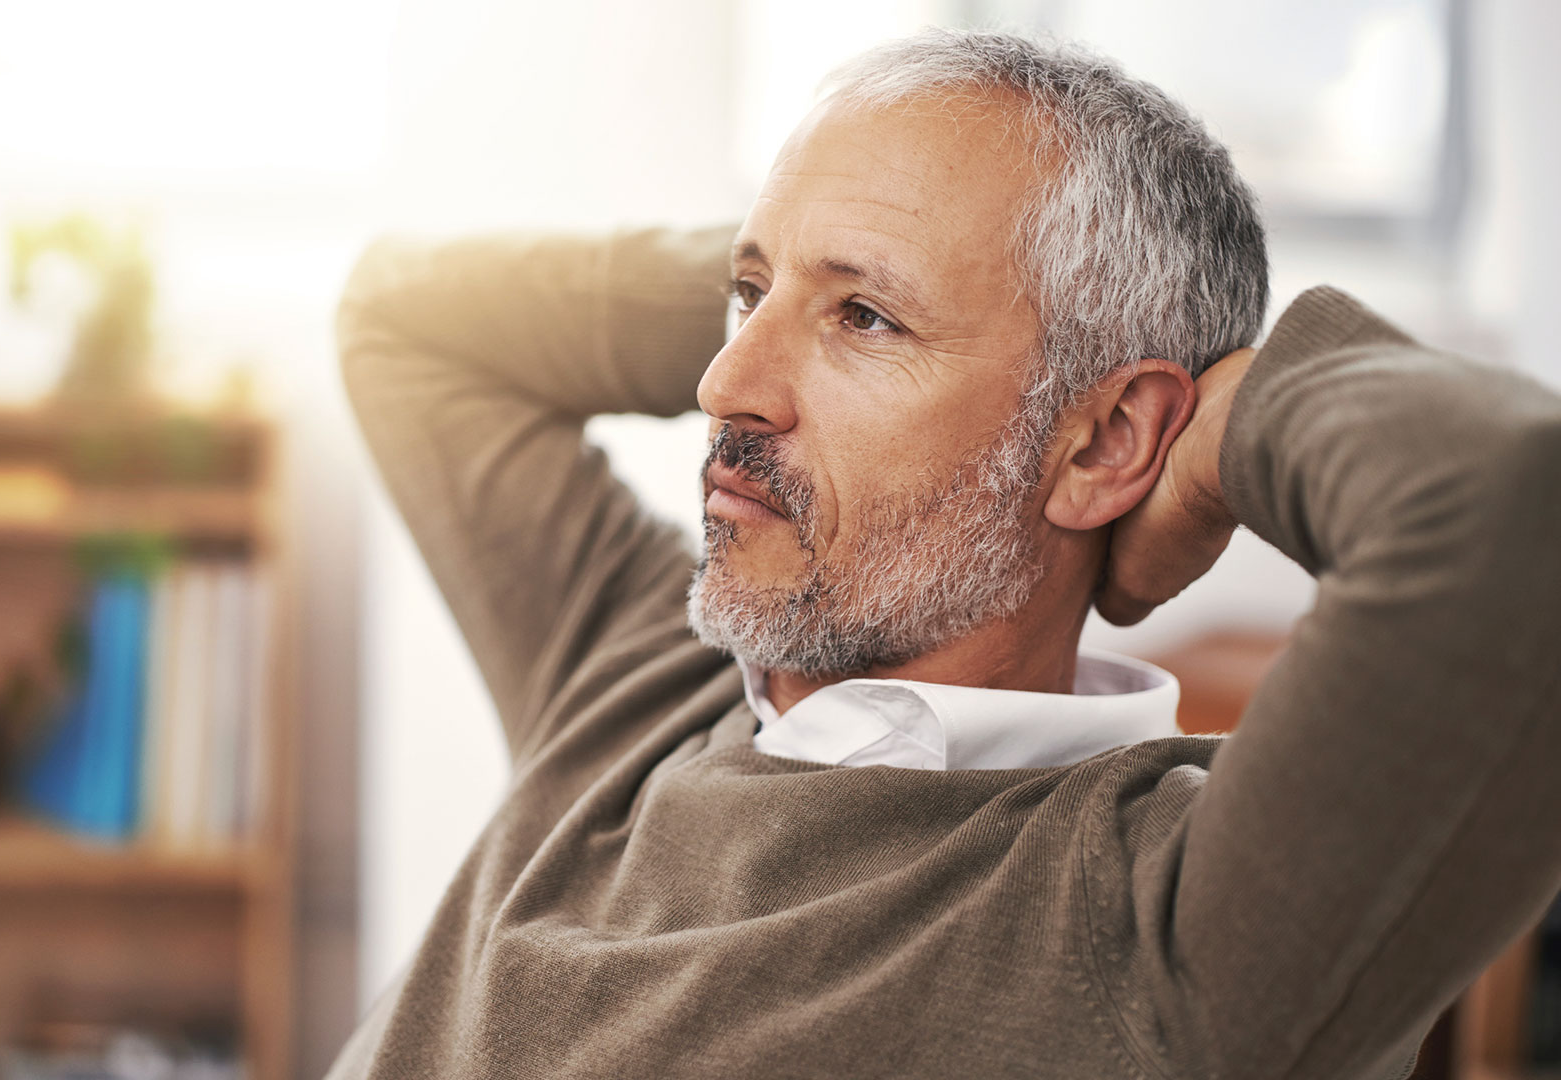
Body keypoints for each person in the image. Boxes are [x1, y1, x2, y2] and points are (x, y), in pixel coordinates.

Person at [330, 28, 1561, 1080]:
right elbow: (412, 320)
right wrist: (818, 250)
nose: (722, 385)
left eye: (866, 317)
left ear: (1104, 439)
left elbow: (1514, 508)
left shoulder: (1172, 927)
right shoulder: (642, 670)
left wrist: (1224, 427)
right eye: (743, 300)